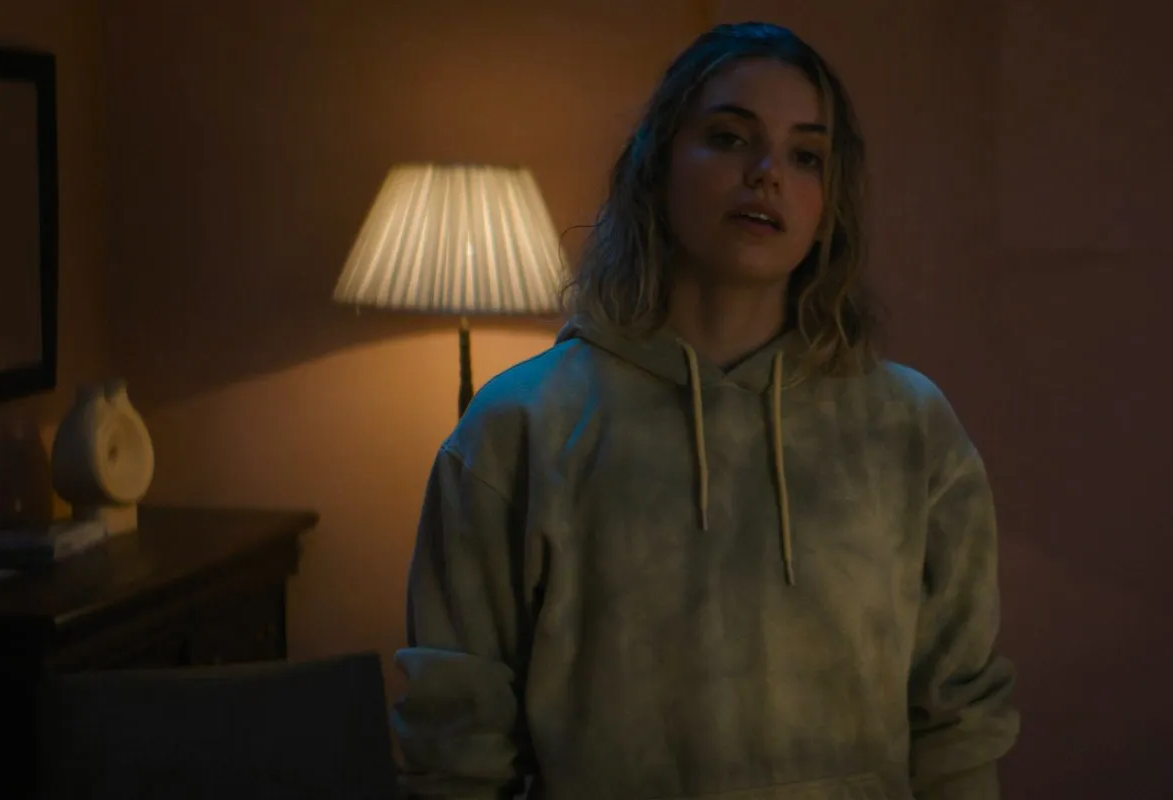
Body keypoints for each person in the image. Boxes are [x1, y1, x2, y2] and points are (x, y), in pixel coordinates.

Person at [393, 21, 1018, 800]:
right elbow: (457, 742)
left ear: (831, 202)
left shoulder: (910, 428)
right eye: (729, 138)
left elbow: (957, 724)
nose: (766, 174)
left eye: (805, 156)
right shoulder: (520, 426)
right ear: (658, 162)